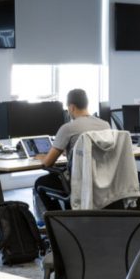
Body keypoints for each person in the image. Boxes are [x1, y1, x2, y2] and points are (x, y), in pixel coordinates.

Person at [31, 88, 110, 216]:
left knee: (40, 183)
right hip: (102, 180)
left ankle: (58, 222)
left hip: (79, 182)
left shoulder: (68, 128)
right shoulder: (105, 125)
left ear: (72, 107)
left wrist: (41, 157)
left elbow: (47, 163)